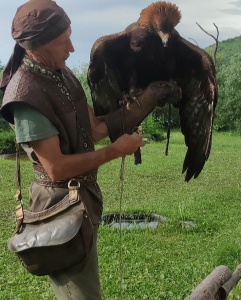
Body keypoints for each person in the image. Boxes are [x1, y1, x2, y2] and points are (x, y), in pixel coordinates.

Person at [0, 0, 181, 299]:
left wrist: (148, 99)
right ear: (36, 47)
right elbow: (55, 167)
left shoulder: (60, 74)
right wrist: (116, 151)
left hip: (80, 203)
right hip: (57, 210)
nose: (71, 48)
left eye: (71, 35)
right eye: (62, 41)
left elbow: (95, 129)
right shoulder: (26, 95)